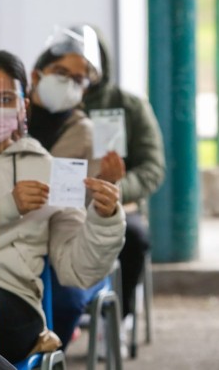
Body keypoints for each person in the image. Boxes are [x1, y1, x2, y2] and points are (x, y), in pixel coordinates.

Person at [0, 48, 126, 363]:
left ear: (23, 106)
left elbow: (77, 269)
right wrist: (8, 206)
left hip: (11, 299)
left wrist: (104, 218)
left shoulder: (50, 171)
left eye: (4, 100)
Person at [25, 25, 130, 348]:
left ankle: (52, 358)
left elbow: (96, 200)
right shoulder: (11, 120)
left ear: (85, 89)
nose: (68, 82)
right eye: (61, 72)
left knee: (65, 301)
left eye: (78, 78)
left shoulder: (88, 132)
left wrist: (110, 184)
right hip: (16, 236)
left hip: (64, 241)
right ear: (36, 74)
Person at [81, 26, 165, 330]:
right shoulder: (52, 110)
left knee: (134, 238)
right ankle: (67, 313)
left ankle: (119, 315)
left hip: (119, 204)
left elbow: (152, 167)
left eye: (86, 65)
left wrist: (115, 189)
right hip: (65, 204)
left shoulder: (130, 106)